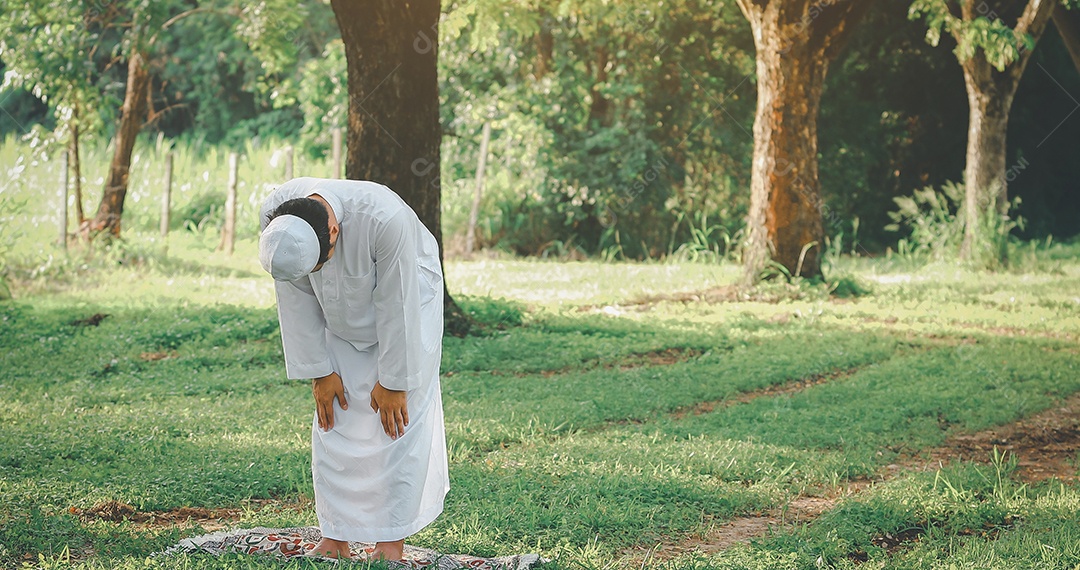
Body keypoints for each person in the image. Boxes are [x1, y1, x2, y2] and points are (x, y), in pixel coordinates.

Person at [257, 177, 449, 560]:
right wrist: (319, 371)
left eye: (322, 260)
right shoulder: (274, 217)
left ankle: (389, 546)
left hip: (409, 308)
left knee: (397, 425)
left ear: (333, 230)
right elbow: (292, 292)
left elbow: (399, 301)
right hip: (336, 318)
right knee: (334, 424)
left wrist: (394, 380)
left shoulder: (384, 218)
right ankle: (335, 539)